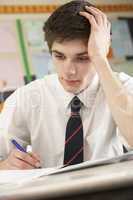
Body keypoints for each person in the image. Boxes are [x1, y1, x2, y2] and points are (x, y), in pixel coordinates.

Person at [0, 0, 133, 170]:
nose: (69, 71)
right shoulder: (25, 97)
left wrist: (100, 58)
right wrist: (5, 165)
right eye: (59, 56)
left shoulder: (122, 86)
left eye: (83, 58)